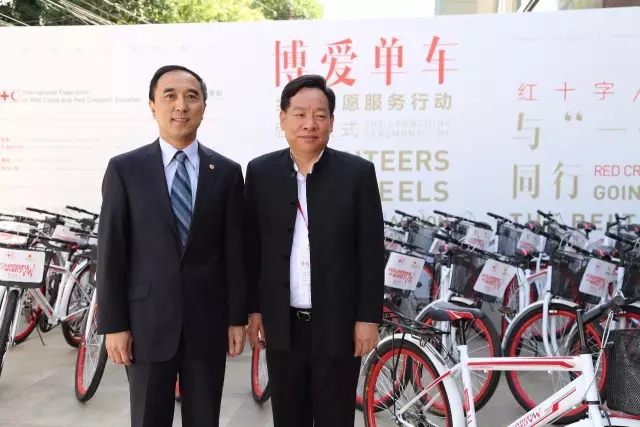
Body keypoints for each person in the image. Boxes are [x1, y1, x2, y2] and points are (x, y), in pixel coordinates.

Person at [96, 64, 247, 427]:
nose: (181, 105)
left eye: (191, 97)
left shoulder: (226, 172)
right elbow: (111, 252)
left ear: (203, 107)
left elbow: (235, 253)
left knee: (204, 419)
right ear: (152, 105)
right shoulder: (125, 169)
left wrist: (236, 318)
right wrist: (114, 325)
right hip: (146, 325)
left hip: (207, 324)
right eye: (170, 96)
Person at [244, 74, 386, 427]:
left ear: (332, 122)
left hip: (339, 325)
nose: (310, 124)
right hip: (282, 324)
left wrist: (368, 318)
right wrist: (254, 309)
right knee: (288, 416)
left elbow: (370, 252)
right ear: (283, 119)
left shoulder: (356, 174)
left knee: (335, 418)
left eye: (320, 115)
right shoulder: (261, 172)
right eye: (300, 114)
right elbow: (252, 248)